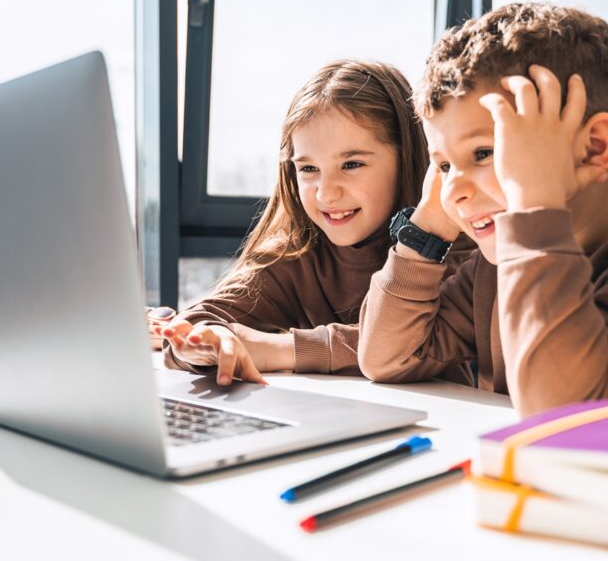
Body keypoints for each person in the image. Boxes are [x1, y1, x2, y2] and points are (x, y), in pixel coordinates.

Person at [357, 2, 608, 416]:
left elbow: (556, 410)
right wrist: (428, 227)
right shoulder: (502, 261)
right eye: (444, 166)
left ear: (595, 147)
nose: (454, 190)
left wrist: (534, 205)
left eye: (484, 153)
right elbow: (387, 357)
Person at [160, 60, 473, 385]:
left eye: (351, 164)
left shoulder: (452, 247)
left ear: (408, 157)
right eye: (308, 169)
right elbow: (196, 324)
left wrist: (279, 350)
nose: (327, 193)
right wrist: (210, 341)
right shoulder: (298, 254)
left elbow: (405, 342)